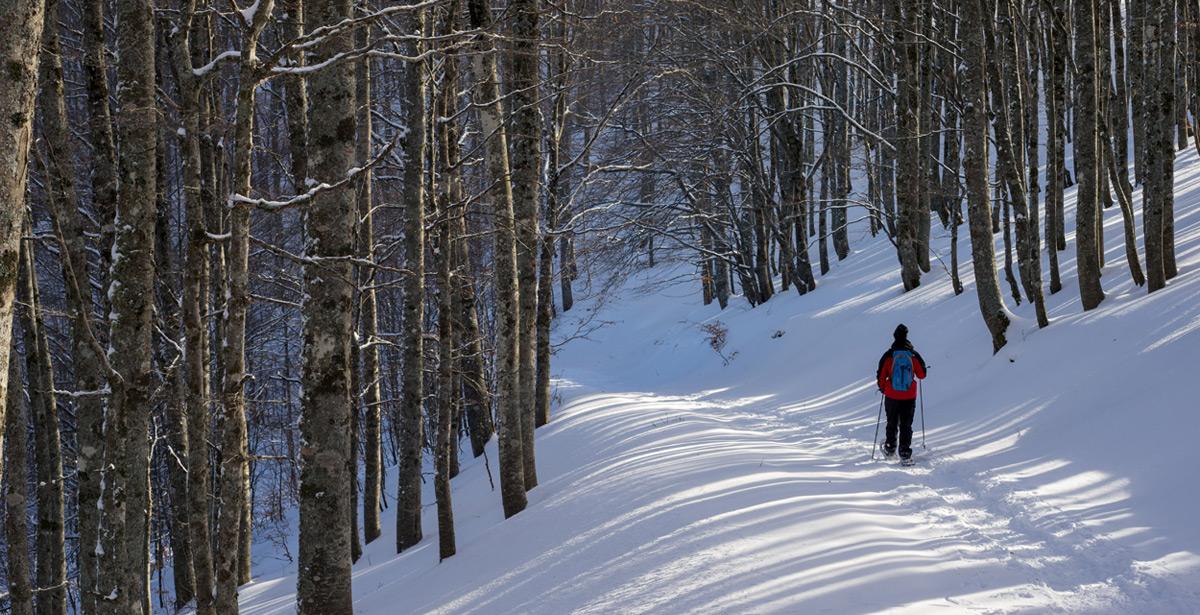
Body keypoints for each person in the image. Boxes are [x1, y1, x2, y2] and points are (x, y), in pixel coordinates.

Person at [875, 324, 927, 460]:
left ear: (894, 336)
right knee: (906, 424)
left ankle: (890, 448)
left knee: (891, 422)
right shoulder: (913, 355)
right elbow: (922, 375)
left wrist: (882, 388)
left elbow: (881, 374)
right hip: (909, 396)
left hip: (891, 395)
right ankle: (904, 452)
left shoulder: (889, 355)